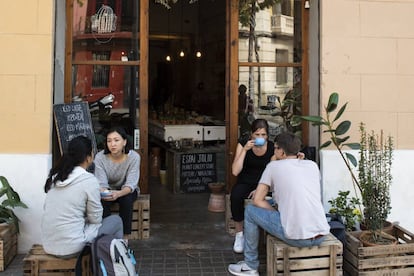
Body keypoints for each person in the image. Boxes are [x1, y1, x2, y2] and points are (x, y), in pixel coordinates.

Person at [228, 132, 330, 276]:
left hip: (298, 237)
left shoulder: (273, 167)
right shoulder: (312, 165)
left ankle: (250, 266)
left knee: (251, 210)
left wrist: (275, 213)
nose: (273, 151)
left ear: (281, 151)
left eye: (275, 148)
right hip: (321, 234)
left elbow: (258, 199)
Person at [41, 136, 123, 258]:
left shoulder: (57, 177)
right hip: (73, 247)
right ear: (89, 157)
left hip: (49, 245)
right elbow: (96, 218)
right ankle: (114, 264)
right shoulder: (88, 180)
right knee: (116, 221)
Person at [230, 118, 276, 253]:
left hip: (264, 183)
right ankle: (239, 235)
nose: (260, 138)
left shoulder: (272, 148)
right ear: (251, 134)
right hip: (245, 181)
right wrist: (244, 150)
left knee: (272, 199)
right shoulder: (243, 144)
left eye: (263, 135)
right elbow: (235, 171)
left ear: (267, 136)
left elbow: (272, 173)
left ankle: (269, 232)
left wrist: (260, 189)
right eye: (257, 134)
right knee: (236, 195)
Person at [94, 126, 141, 241]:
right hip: (107, 190)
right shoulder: (100, 157)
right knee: (101, 201)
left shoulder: (134, 157)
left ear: (124, 142)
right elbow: (101, 182)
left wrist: (119, 193)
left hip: (126, 190)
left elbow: (131, 183)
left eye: (116, 140)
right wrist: (105, 192)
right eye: (109, 141)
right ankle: (107, 236)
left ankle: (125, 238)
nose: (112, 144)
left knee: (126, 200)